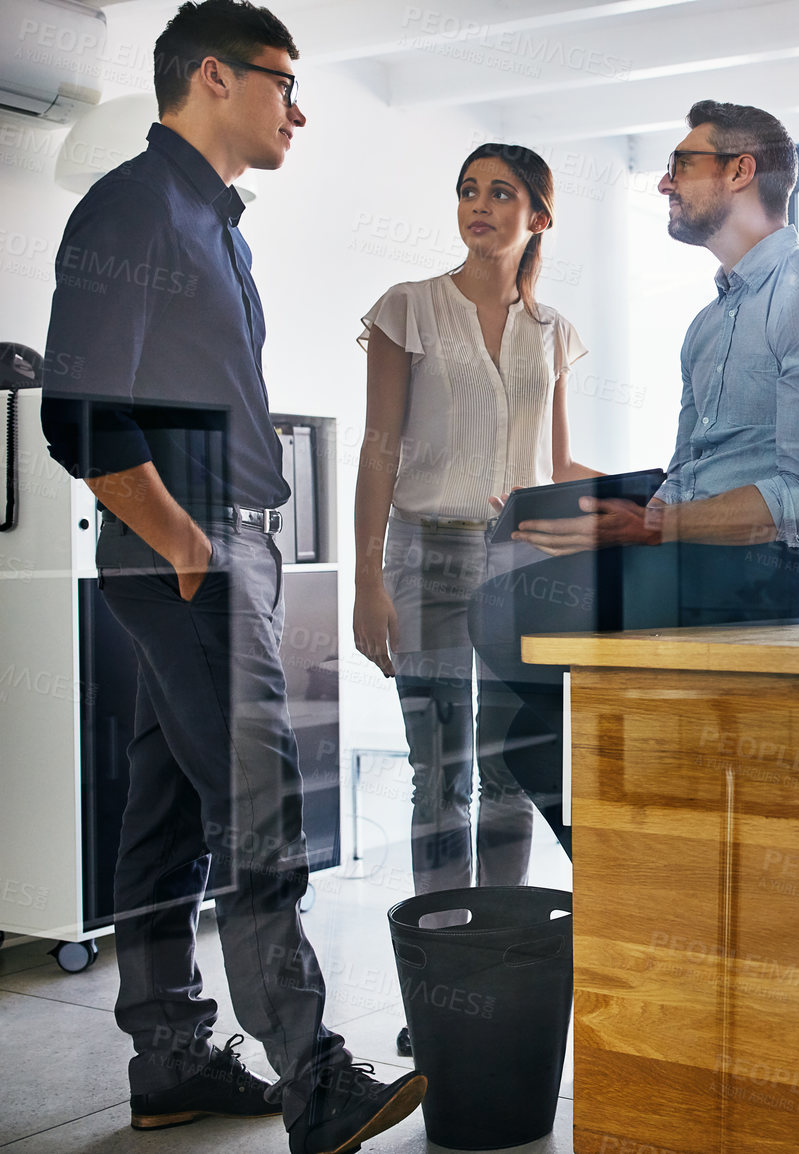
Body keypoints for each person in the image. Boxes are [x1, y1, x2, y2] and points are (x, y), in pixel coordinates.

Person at [38, 3, 425, 1150]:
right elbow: (81, 411)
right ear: (214, 76)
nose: (297, 110)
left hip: (213, 548)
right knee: (262, 817)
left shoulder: (215, 225)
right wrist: (188, 543)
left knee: (165, 819)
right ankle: (315, 1078)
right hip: (192, 551)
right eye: (284, 84)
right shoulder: (135, 206)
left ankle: (171, 1056)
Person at [467, 99, 799, 841]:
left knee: (504, 612)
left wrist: (655, 526)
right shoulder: (709, 322)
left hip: (777, 563)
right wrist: (581, 508)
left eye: (680, 165)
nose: (664, 183)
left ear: (739, 171)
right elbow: (686, 471)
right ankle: (629, 870)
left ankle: (636, 857)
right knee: (508, 723)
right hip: (694, 546)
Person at [353, 141, 593, 1056]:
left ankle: (497, 971)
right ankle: (441, 991)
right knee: (439, 774)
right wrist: (368, 576)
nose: (479, 206)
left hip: (522, 568)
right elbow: (381, 447)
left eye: (502, 193)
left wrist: (657, 500)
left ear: (538, 215)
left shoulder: (553, 331)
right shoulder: (407, 310)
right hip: (427, 559)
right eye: (467, 191)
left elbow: (559, 464)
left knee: (508, 778)